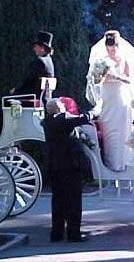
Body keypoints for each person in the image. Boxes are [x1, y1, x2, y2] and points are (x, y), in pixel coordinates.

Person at [43, 98, 102, 243]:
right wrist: (96, 110)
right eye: (62, 105)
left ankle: (56, 233)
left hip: (54, 165)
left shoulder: (47, 122)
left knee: (58, 200)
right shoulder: (63, 119)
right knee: (73, 201)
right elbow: (83, 118)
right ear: (59, 108)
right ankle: (73, 233)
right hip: (70, 165)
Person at [85, 30, 134, 172]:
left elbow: (129, 79)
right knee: (109, 132)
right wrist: (101, 76)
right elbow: (94, 80)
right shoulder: (101, 60)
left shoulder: (125, 59)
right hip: (107, 98)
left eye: (113, 49)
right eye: (108, 49)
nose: (110, 52)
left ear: (118, 47)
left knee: (123, 132)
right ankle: (110, 166)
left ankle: (122, 166)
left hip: (121, 97)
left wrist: (115, 76)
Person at [10, 30, 55, 101]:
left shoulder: (40, 61)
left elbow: (28, 80)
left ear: (42, 48)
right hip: (46, 99)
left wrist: (15, 90)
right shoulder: (50, 62)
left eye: (36, 46)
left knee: (6, 100)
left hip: (34, 98)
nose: (34, 49)